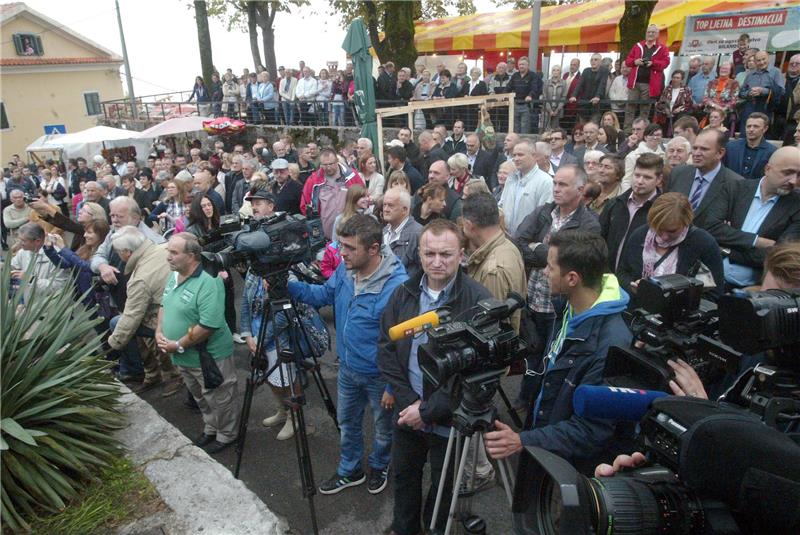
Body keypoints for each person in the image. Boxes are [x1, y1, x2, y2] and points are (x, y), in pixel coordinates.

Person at [378, 219, 493, 535]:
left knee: (444, 489)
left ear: (461, 255)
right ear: (419, 253)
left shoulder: (478, 300)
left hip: (450, 420)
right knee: (404, 479)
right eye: (430, 254)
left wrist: (427, 410)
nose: (437, 262)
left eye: (446, 254)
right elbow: (387, 350)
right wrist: (410, 403)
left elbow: (479, 373)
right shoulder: (403, 293)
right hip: (407, 410)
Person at [485, 229, 633, 475]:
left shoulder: (610, 347)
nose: (544, 272)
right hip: (549, 446)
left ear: (572, 278)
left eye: (550, 268)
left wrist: (524, 440)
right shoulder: (569, 307)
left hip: (572, 470)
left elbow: (591, 431)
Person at [290, 215, 407, 495]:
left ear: (374, 249)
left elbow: (404, 344)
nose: (341, 253)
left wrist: (393, 386)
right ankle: (350, 469)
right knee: (347, 423)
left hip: (380, 377)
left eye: (349, 247)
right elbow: (323, 295)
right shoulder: (345, 269)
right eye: (341, 245)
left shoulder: (398, 287)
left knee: (383, 429)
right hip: (348, 369)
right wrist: (290, 287)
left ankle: (379, 465)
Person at [514, 165, 600, 409]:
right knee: (532, 350)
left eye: (563, 185)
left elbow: (574, 261)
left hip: (560, 304)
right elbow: (519, 240)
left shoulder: (590, 225)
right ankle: (525, 395)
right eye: (555, 183)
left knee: (551, 355)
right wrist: (547, 253)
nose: (556, 189)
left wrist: (537, 249)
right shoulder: (544, 212)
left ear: (580, 190)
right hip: (534, 295)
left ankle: (541, 403)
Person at [157, 232, 239, 454]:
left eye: (174, 253)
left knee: (219, 396)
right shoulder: (174, 275)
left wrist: (178, 344)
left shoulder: (209, 282)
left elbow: (208, 325)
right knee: (201, 396)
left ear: (192, 256)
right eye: (168, 251)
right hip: (184, 356)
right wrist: (159, 332)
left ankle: (227, 434)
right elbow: (164, 305)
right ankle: (211, 428)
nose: (168, 257)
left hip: (209, 356)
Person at [706, 146, 800, 289]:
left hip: (753, 290)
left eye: (799, 175)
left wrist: (726, 249)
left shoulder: (796, 205)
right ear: (767, 169)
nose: (794, 181)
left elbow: (779, 255)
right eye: (788, 173)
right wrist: (757, 241)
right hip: (710, 279)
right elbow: (711, 227)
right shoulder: (735, 188)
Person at [105, 225, 182, 392]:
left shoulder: (140, 279)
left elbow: (131, 318)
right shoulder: (164, 248)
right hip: (180, 308)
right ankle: (154, 372)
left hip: (166, 319)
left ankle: (154, 372)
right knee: (133, 325)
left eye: (118, 252)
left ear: (126, 252)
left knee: (118, 324)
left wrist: (112, 344)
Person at [617, 192, 725, 300]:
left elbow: (714, 293)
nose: (664, 237)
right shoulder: (640, 235)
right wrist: (632, 287)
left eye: (672, 231)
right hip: (638, 309)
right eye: (659, 229)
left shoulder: (703, 243)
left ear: (686, 222)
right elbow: (622, 273)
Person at [666, 128, 743, 230]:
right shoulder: (678, 173)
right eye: (695, 148)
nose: (697, 153)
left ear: (720, 153)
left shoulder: (736, 184)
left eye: (704, 149)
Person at [600, 153, 663, 271]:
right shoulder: (615, 204)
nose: (639, 181)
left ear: (658, 179)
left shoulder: (661, 210)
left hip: (637, 281)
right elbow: (600, 239)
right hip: (608, 275)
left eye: (647, 177)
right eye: (637, 175)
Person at [42, 219, 110, 314]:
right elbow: (64, 264)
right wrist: (49, 249)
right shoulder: (85, 249)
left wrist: (63, 248)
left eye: (89, 232)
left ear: (101, 235)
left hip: (98, 300)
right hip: (83, 298)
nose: (85, 235)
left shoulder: (104, 253)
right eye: (85, 232)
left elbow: (86, 267)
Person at [300, 148, 364, 239]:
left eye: (331, 164)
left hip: (351, 233)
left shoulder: (352, 176)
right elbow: (305, 206)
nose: (328, 167)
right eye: (325, 165)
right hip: (325, 236)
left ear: (337, 161)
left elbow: (363, 198)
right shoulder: (313, 181)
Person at [498, 140, 553, 235]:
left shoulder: (546, 182)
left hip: (528, 241)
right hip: (506, 238)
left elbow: (543, 218)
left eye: (520, 155)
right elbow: (501, 205)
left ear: (534, 156)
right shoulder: (510, 179)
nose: (516, 158)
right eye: (514, 155)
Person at [624, 24, 670, 132]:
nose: (650, 34)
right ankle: (627, 131)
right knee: (630, 107)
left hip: (649, 84)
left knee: (645, 109)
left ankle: (642, 131)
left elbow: (666, 62)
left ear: (657, 34)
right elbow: (628, 60)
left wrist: (653, 63)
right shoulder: (638, 45)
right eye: (648, 32)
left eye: (653, 32)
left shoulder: (662, 48)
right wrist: (635, 61)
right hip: (634, 83)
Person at [10, 222, 69, 301]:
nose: (20, 243)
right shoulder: (23, 252)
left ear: (37, 241)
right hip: (30, 304)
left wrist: (31, 279)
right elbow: (12, 266)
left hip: (50, 308)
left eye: (23, 241)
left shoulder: (57, 257)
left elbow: (59, 286)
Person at [739, 50, 784, 132]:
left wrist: (763, 91)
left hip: (766, 108)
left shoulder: (776, 72)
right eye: (758, 60)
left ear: (768, 58)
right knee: (746, 133)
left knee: (761, 134)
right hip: (750, 108)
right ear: (755, 61)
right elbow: (741, 93)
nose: (761, 62)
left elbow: (781, 91)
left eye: (764, 59)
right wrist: (749, 93)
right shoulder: (750, 74)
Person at [722, 112, 776, 181]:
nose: (751, 129)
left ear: (765, 129)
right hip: (730, 188)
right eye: (748, 126)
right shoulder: (730, 147)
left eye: (756, 126)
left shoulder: (772, 152)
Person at [382, 187, 422, 272]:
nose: (385, 209)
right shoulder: (383, 232)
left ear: (405, 209)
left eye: (390, 205)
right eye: (384, 205)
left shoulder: (418, 234)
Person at [622, 123, 665, 190]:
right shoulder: (633, 156)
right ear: (645, 137)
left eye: (658, 135)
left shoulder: (664, 156)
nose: (655, 137)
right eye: (651, 135)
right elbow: (626, 181)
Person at [570, 53, 609, 124]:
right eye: (592, 60)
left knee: (593, 127)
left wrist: (597, 96)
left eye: (596, 60)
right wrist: (573, 95)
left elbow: (602, 84)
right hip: (584, 105)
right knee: (582, 127)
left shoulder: (604, 71)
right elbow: (579, 84)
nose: (593, 61)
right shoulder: (586, 70)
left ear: (600, 62)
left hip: (596, 106)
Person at [702, 61, 739, 129]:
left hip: (725, 113)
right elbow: (705, 98)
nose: (723, 70)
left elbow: (734, 100)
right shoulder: (711, 82)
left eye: (726, 69)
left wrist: (723, 109)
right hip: (710, 111)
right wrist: (715, 106)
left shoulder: (734, 83)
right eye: (722, 68)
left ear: (730, 71)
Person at [655, 70, 693, 136]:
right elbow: (661, 103)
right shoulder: (667, 89)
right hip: (666, 115)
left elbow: (689, 104)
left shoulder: (686, 90)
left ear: (682, 80)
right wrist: (666, 110)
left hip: (678, 116)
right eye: (674, 77)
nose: (675, 79)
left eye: (678, 78)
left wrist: (679, 109)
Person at [542, 65, 567, 131]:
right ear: (551, 72)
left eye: (557, 70)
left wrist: (557, 110)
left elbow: (563, 97)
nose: (555, 72)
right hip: (547, 109)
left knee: (555, 130)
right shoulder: (546, 82)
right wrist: (550, 110)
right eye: (554, 70)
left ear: (560, 72)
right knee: (544, 129)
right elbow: (544, 97)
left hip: (557, 110)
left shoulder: (564, 83)